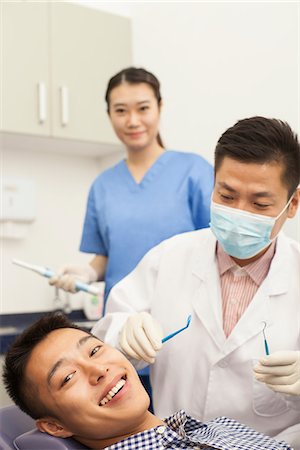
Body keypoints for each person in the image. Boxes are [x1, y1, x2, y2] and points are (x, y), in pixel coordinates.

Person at [91, 116, 300, 447]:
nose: (240, 212)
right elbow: (105, 340)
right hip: (171, 441)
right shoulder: (168, 257)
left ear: (293, 204)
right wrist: (122, 332)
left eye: (260, 203)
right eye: (227, 195)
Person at [2, 313, 292, 450]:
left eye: (94, 350)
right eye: (68, 377)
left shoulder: (210, 427)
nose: (98, 370)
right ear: (55, 426)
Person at [49, 67, 214, 307]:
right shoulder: (103, 185)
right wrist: (88, 273)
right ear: (109, 114)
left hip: (181, 316)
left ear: (160, 107)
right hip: (119, 318)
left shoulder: (194, 171)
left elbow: (216, 248)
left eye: (143, 108)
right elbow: (108, 257)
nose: (133, 121)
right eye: (121, 111)